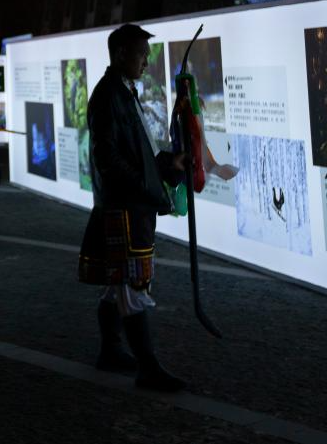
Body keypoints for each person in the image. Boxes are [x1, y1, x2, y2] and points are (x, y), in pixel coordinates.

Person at [78, 23, 188, 392]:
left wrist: (166, 165)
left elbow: (137, 151)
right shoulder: (108, 95)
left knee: (118, 285)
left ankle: (110, 350)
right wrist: (145, 185)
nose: (146, 62)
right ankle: (148, 367)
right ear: (121, 53)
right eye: (142, 54)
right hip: (123, 207)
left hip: (130, 203)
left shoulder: (123, 91)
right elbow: (107, 157)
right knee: (131, 285)